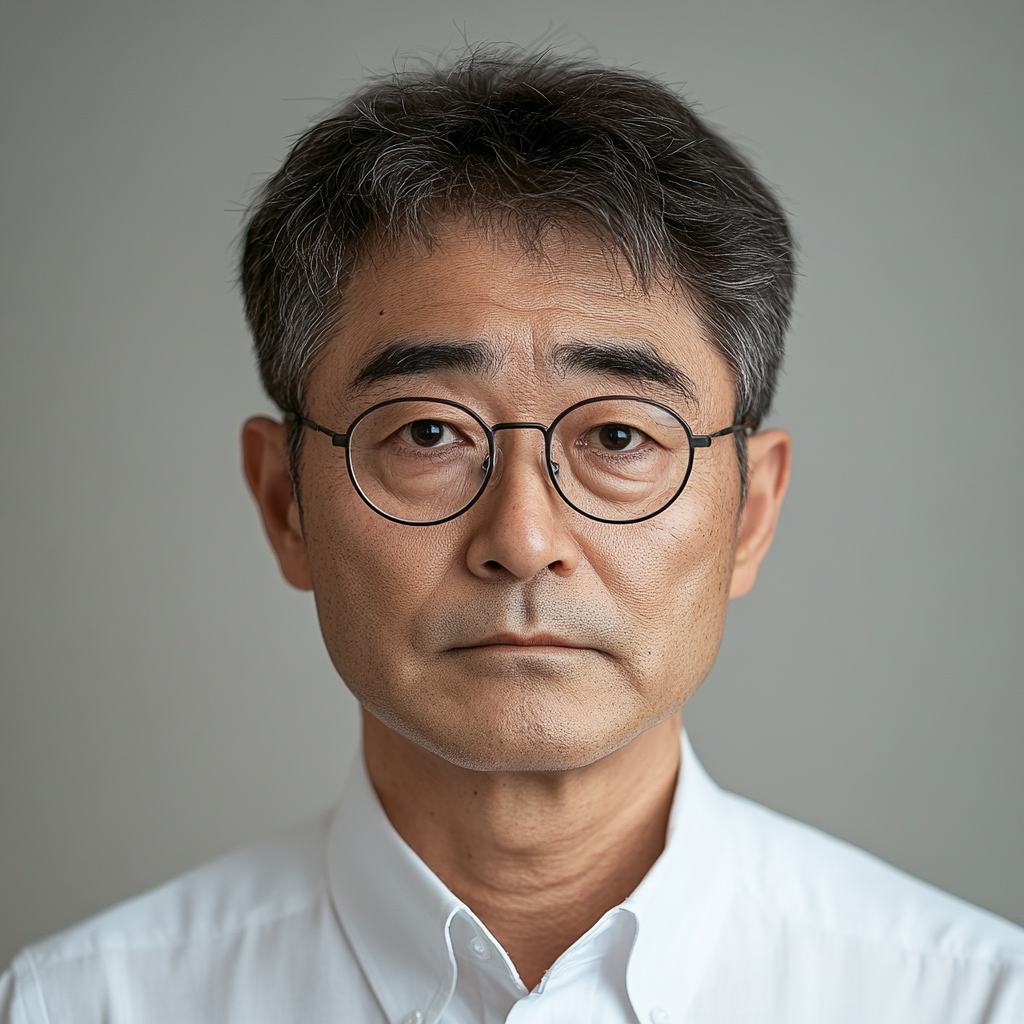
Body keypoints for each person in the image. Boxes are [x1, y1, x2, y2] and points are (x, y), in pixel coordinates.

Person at [2, 47, 1021, 1024]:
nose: (524, 539)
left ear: (749, 509)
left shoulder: (970, 1000)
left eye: (619, 434)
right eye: (429, 432)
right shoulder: (84, 1005)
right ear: (284, 503)